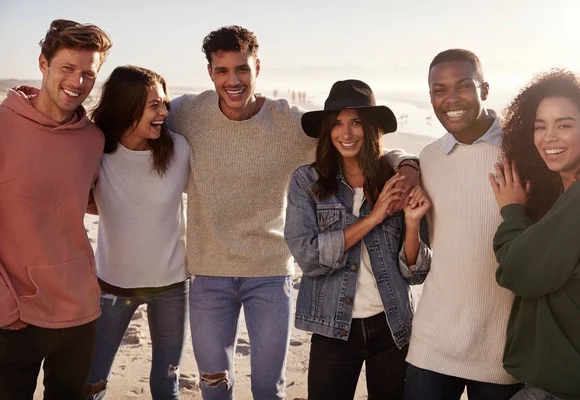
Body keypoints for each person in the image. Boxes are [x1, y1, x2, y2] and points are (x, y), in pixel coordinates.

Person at [166, 25, 421, 400]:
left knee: (269, 388)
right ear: (210, 73)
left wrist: (407, 163)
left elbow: (353, 141)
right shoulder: (186, 113)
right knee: (213, 383)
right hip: (208, 272)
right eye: (222, 71)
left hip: (269, 273)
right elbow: (135, 118)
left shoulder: (288, 121)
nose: (233, 80)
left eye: (242, 69)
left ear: (257, 67)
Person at [284, 79, 432, 400]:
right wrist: (373, 218)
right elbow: (309, 258)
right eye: (336, 124)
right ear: (327, 130)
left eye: (355, 123)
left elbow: (415, 273)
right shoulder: (305, 181)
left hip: (392, 327)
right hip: (332, 328)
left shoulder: (396, 180)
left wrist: (411, 223)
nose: (346, 133)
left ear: (371, 128)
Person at [0, 19, 112, 399]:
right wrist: (1, 305)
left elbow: (88, 202)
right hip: (12, 318)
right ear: (43, 64)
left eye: (88, 73)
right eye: (68, 68)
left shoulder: (92, 139)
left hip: (80, 313)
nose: (78, 81)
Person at [403, 49, 524, 400]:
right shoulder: (428, 157)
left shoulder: (522, 151)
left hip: (502, 350)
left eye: (463, 86)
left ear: (484, 89)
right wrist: (405, 164)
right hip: (432, 343)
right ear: (430, 97)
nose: (450, 99)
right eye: (439, 90)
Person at [85, 66, 190, 400]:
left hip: (172, 285)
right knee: (92, 380)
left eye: (164, 103)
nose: (164, 113)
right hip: (111, 286)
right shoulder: (96, 152)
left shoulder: (180, 149)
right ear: (127, 107)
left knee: (166, 383)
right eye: (153, 106)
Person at [489, 69, 580, 400]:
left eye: (564, 125)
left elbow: (517, 272)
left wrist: (511, 211)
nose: (549, 137)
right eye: (540, 126)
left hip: (563, 388)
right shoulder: (567, 196)